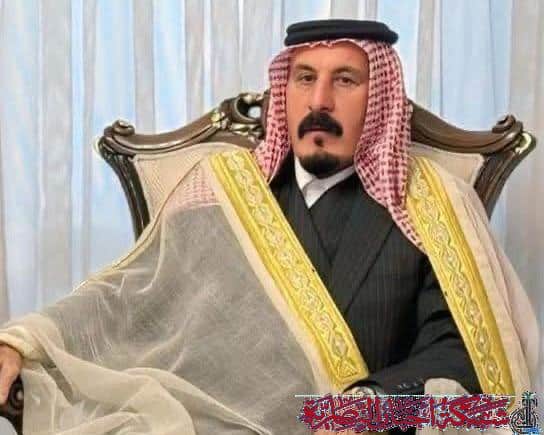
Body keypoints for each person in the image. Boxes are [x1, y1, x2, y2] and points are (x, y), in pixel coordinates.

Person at [0, 19, 538, 434]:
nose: (320, 101)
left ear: (380, 100)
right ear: (284, 92)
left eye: (345, 80)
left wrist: (365, 408)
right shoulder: (225, 195)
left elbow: (463, 353)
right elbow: (127, 299)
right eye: (305, 79)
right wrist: (20, 342)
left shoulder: (430, 207)